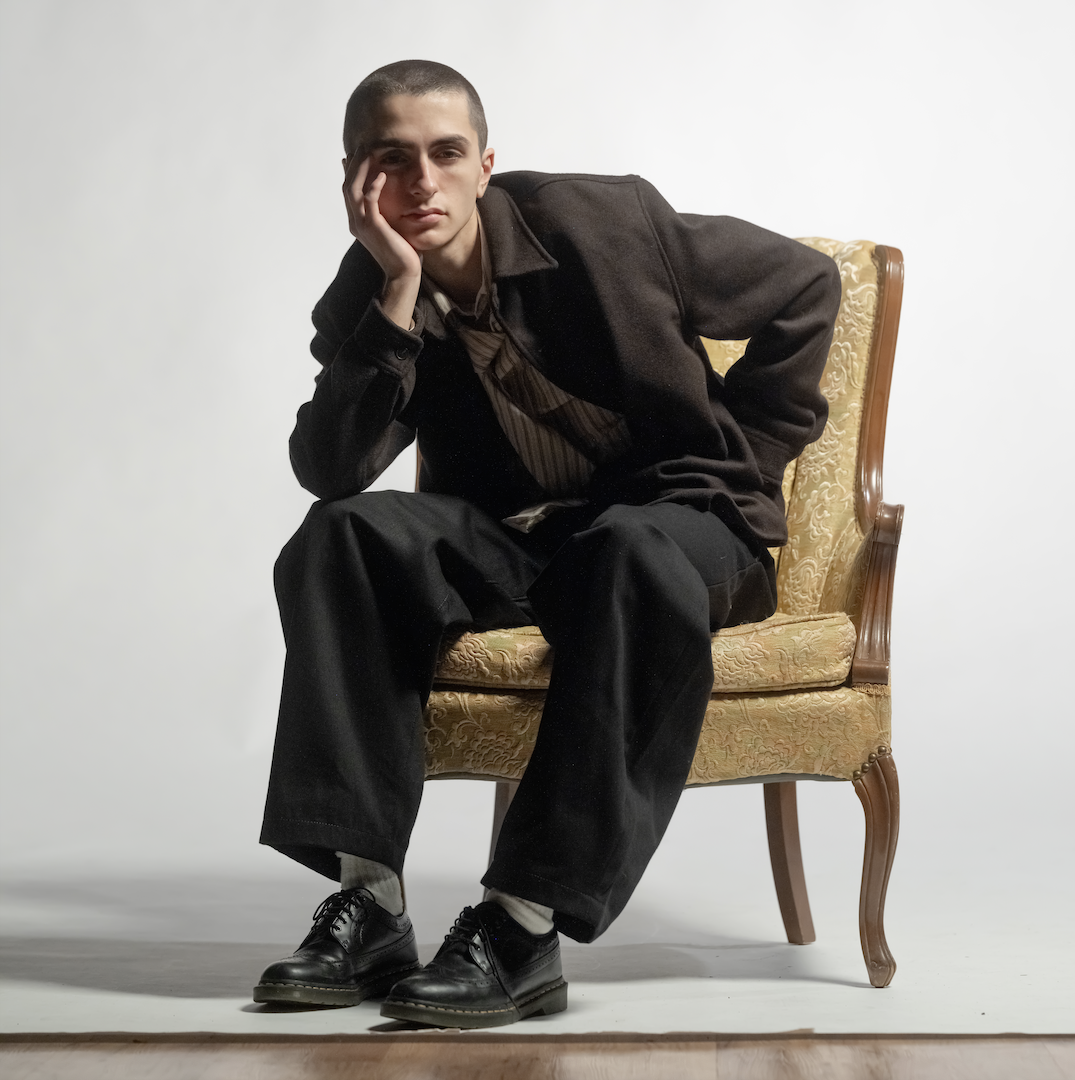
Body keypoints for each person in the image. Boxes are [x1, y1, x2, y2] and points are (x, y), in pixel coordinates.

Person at [253, 59, 840, 1028]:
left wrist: (746, 454)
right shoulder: (366, 294)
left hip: (676, 526)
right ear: (356, 179)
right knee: (340, 539)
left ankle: (521, 927)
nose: (423, 183)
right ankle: (372, 903)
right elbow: (332, 467)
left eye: (445, 154)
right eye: (391, 161)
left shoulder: (605, 228)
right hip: (521, 539)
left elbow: (804, 287)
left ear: (487, 164)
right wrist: (397, 294)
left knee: (627, 556)